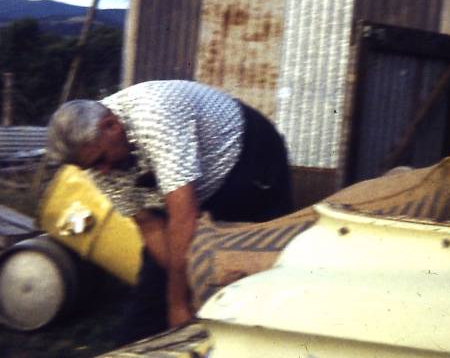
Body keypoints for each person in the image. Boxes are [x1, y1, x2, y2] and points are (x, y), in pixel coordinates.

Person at [45, 79, 293, 341]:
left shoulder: (155, 115)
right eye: (92, 168)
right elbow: (150, 225)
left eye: (101, 161)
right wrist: (186, 290)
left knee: (258, 267)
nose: (102, 172)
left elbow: (183, 217)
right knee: (153, 292)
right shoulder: (97, 162)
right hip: (187, 189)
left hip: (248, 155)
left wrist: (178, 303)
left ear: (111, 126)